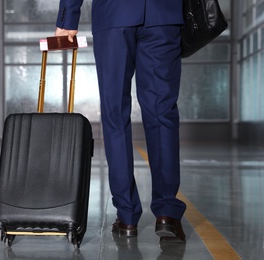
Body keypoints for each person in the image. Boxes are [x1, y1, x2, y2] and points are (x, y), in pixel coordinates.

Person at [55, 0, 187, 242]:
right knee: (162, 114)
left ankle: (127, 216)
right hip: (163, 15)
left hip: (114, 14)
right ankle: (167, 213)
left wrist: (68, 17)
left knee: (115, 115)